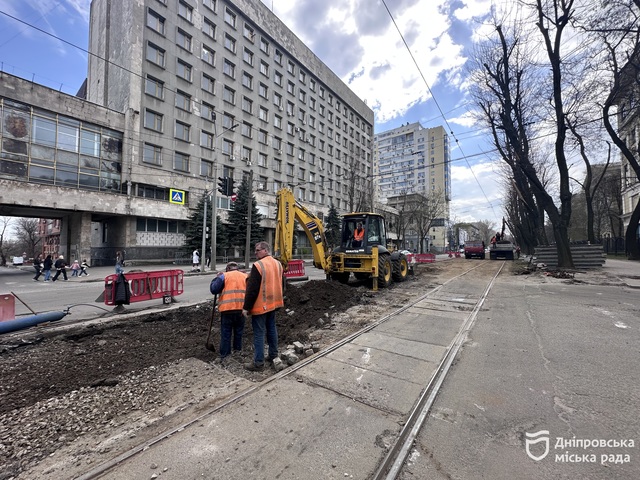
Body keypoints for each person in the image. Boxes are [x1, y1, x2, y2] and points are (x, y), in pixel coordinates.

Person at [242, 241, 285, 371]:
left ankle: (258, 363)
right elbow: (283, 283)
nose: (255, 253)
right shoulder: (278, 263)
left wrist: (246, 307)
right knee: (271, 329)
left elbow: (252, 289)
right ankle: (273, 355)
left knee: (259, 333)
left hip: (261, 306)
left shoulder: (258, 265)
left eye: (258, 250)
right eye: (255, 250)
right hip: (273, 304)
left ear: (266, 250)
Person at [209, 261, 248, 362]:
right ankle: (237, 351)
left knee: (226, 333)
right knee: (238, 332)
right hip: (241, 309)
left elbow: (214, 289)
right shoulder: (245, 276)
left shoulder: (224, 276)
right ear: (237, 268)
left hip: (227, 310)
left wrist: (216, 278)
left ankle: (225, 355)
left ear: (227, 269)